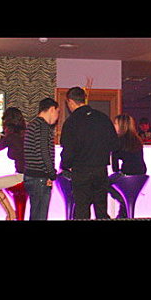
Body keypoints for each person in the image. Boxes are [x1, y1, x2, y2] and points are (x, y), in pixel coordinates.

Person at [60, 87, 119, 220]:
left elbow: (68, 150)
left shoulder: (71, 122)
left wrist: (66, 165)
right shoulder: (102, 118)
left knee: (82, 209)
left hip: (81, 171)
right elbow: (115, 145)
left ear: (70, 101)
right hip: (100, 169)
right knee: (101, 209)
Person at [23, 98, 59, 220]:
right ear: (52, 109)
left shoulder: (32, 124)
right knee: (40, 215)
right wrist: (51, 173)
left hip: (31, 175)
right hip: (40, 178)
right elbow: (43, 152)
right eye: (57, 112)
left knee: (35, 213)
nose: (57, 117)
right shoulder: (43, 126)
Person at [108, 114, 147, 219]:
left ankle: (122, 203)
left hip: (127, 176)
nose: (114, 126)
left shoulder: (117, 141)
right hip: (140, 175)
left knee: (102, 183)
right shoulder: (137, 140)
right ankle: (124, 209)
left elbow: (115, 167)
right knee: (125, 193)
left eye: (115, 123)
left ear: (121, 125)